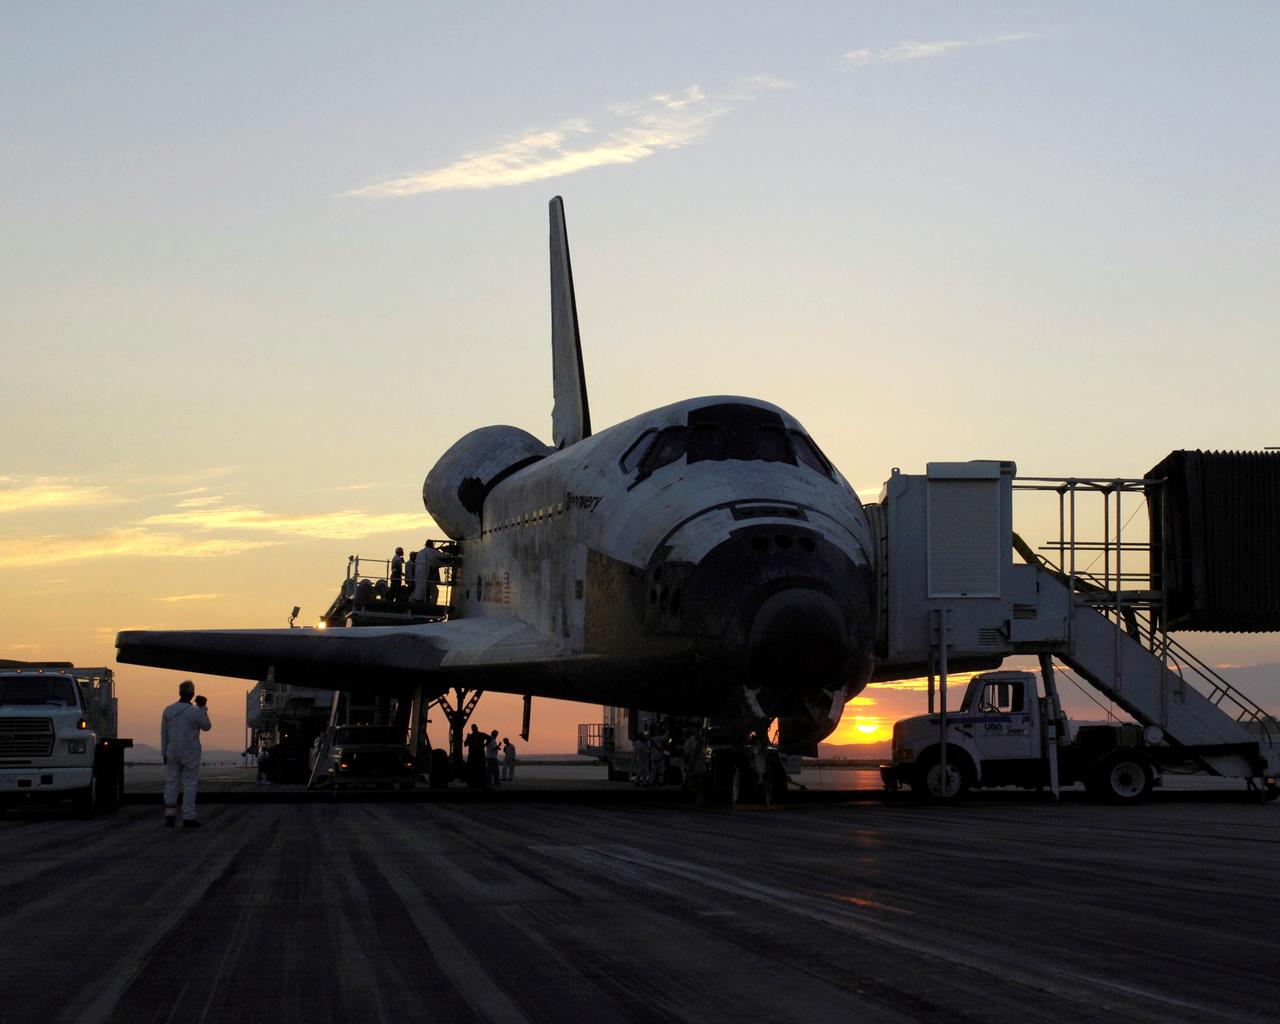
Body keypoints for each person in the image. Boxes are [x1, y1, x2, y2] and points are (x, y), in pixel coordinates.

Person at [161, 680, 211, 828]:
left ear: (180, 692)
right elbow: (207, 726)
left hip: (172, 751)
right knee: (189, 783)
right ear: (192, 694)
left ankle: (170, 815)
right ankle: (188, 817)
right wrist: (202, 707)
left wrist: (164, 752)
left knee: (171, 782)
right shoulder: (195, 711)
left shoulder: (168, 710)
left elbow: (164, 734)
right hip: (189, 752)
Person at [464, 723, 488, 788]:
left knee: (475, 770)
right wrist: (484, 745)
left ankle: (475, 783)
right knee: (480, 770)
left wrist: (484, 745)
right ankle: (480, 783)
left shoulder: (473, 736)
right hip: (478, 756)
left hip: (474, 756)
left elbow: (465, 744)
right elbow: (465, 744)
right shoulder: (481, 735)